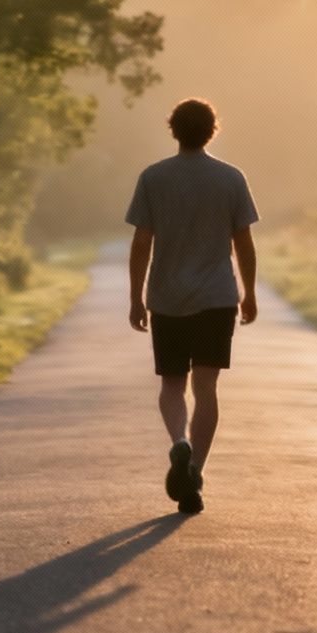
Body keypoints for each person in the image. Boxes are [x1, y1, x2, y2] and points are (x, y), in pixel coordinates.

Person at [125, 98, 260, 515]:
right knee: (206, 389)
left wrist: (136, 297)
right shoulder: (231, 178)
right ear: (212, 131)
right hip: (217, 298)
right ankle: (194, 474)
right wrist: (249, 292)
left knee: (171, 385)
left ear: (174, 130)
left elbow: (142, 242)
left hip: (167, 297)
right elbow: (243, 242)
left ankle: (179, 444)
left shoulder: (153, 178)